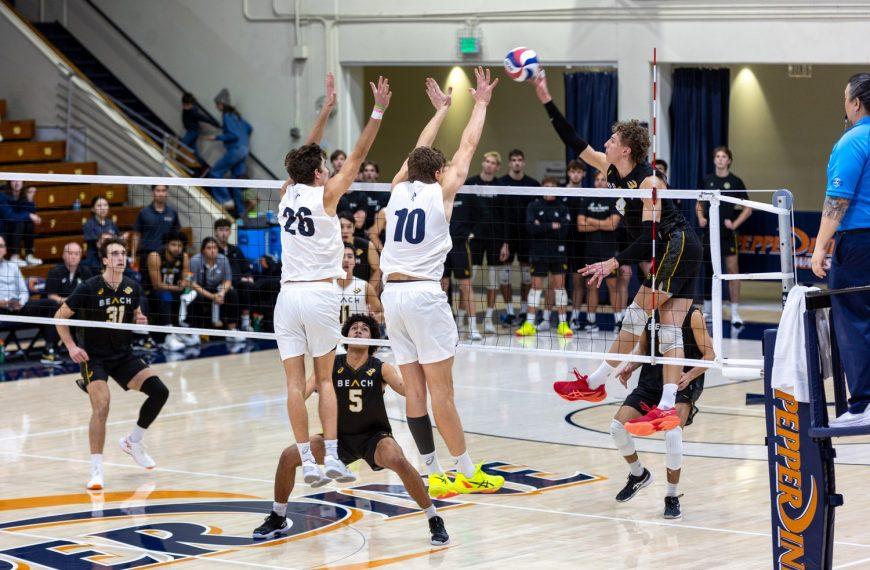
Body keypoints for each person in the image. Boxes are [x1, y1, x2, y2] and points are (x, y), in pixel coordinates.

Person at [533, 71, 702, 434]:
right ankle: (668, 406)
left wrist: (614, 260)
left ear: (626, 149)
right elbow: (573, 140)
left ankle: (595, 383)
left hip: (677, 244)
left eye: (611, 139)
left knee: (634, 317)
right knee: (670, 330)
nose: (605, 143)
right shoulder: (611, 170)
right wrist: (546, 98)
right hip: (674, 249)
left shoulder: (650, 181)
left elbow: (653, 238)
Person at [380, 69, 505, 498]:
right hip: (422, 294)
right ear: (438, 174)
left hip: (391, 295)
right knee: (442, 393)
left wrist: (440, 112)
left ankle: (432, 474)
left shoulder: (396, 188)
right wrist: (482, 103)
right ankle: (466, 470)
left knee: (414, 391)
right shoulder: (442, 191)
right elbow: (468, 146)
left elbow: (418, 149)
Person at [271, 73, 390, 485]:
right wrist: (377, 111)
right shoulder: (326, 196)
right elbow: (356, 156)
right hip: (319, 295)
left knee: (292, 383)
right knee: (324, 379)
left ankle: (307, 458)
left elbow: (303, 154)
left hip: (286, 298)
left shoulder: (285, 191)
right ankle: (336, 458)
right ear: (320, 174)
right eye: (323, 166)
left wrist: (325, 110)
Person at [253, 314, 449, 545]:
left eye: (364, 329)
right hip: (336, 440)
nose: (358, 331)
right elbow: (302, 392)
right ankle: (278, 516)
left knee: (398, 460)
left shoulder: (381, 368)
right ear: (345, 336)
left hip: (373, 437)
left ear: (373, 339)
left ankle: (433, 518)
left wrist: (422, 364)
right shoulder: (329, 365)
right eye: (354, 328)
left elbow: (409, 390)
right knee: (288, 456)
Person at [54, 237, 170, 490]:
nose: (121, 257)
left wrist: (141, 323)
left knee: (160, 391)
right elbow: (59, 317)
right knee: (102, 406)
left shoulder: (132, 287)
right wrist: (72, 347)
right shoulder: (88, 287)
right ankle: (96, 469)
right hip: (94, 357)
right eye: (115, 253)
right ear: (105, 260)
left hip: (123, 354)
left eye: (123, 253)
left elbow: (137, 317)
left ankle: (133, 441)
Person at [611, 305, 714, 519]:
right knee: (617, 427)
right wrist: (630, 366)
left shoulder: (692, 315)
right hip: (650, 384)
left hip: (680, 386)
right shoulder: (651, 312)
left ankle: (672, 495)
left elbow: (710, 355)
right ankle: (639, 474)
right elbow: (642, 350)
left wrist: (691, 375)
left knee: (673, 432)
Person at [811, 73, 870, 427]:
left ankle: (863, 404)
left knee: (852, 319)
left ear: (856, 103)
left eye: (845, 100)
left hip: (859, 243)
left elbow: (837, 200)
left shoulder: (852, 141)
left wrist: (819, 248)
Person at [696, 146, 752, 327]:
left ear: (729, 160)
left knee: (733, 272)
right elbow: (698, 202)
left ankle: (735, 313)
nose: (720, 159)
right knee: (709, 272)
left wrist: (734, 224)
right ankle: (708, 312)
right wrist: (701, 217)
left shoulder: (735, 182)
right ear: (714, 160)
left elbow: (748, 208)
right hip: (709, 233)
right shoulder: (707, 180)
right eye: (717, 156)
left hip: (728, 234)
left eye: (723, 157)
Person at [516, 176, 572, 337]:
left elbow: (564, 231)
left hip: (558, 252)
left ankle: (563, 324)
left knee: (559, 288)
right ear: (541, 189)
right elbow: (530, 228)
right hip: (538, 252)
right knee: (536, 288)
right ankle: (529, 323)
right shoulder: (533, 206)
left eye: (552, 187)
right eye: (546, 186)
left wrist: (541, 226)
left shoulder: (562, 208)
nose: (549, 190)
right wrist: (552, 226)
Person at [465, 151, 509, 334]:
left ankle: (489, 319)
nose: (489, 165)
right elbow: (463, 212)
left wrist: (505, 243)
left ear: (497, 167)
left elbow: (506, 218)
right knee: (468, 280)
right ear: (483, 163)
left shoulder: (501, 186)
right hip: (474, 239)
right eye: (487, 161)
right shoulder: (470, 183)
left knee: (493, 280)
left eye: (493, 163)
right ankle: (464, 318)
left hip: (495, 239)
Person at [576, 170, 624, 333]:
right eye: (597, 179)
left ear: (608, 182)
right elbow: (580, 226)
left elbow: (613, 225)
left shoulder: (614, 199)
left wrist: (591, 220)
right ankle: (591, 321)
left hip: (609, 251)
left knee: (613, 286)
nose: (600, 182)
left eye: (603, 179)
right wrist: (602, 223)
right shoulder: (587, 199)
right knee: (591, 287)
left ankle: (618, 322)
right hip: (591, 250)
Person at [0, 235, 60, 364]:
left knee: (50, 305)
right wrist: (4, 303)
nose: (0, 249)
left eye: (2, 246)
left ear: (5, 250)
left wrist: (20, 303)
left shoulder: (12, 266)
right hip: (2, 311)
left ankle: (49, 350)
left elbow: (23, 290)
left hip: (18, 307)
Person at [496, 149, 540, 325]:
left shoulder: (533, 184)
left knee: (527, 277)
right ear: (509, 163)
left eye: (519, 160)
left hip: (527, 238)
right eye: (513, 160)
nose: (516, 163)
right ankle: (508, 312)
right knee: (504, 277)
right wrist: (502, 241)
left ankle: (522, 311)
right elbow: (497, 215)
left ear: (523, 162)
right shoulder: (500, 183)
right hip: (506, 237)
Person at [442, 181, 482, 340]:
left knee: (466, 286)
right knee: (441, 287)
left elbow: (484, 214)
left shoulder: (466, 195)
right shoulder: (436, 194)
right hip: (441, 247)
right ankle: (442, 327)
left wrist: (472, 233)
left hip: (459, 246)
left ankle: (472, 327)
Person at [144, 231, 195, 352]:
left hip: (173, 290)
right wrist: (178, 288)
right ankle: (168, 336)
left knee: (192, 295)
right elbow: (157, 285)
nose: (177, 248)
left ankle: (185, 331)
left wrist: (184, 282)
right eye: (173, 244)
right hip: (152, 293)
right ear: (166, 244)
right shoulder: (155, 256)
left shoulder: (184, 257)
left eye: (180, 246)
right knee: (166, 295)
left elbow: (186, 277)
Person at [208, 88, 254, 216]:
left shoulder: (226, 116)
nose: (216, 107)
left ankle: (225, 199)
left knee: (215, 172)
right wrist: (243, 140)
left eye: (216, 105)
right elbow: (249, 128)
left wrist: (217, 137)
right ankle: (241, 214)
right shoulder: (237, 116)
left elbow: (233, 135)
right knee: (236, 181)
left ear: (221, 104)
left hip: (236, 150)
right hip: (244, 150)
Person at [185, 237, 242, 338]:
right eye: (209, 248)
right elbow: (191, 283)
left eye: (215, 247)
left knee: (233, 293)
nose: (212, 250)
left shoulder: (223, 259)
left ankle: (232, 330)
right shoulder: (195, 260)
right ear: (203, 250)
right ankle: (194, 332)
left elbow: (228, 280)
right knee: (196, 297)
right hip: (200, 290)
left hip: (217, 290)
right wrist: (212, 296)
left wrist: (221, 293)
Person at [213, 218, 256, 331]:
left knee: (248, 286)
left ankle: (246, 323)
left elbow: (246, 268)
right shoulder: (212, 250)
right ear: (215, 232)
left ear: (230, 232)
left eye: (227, 230)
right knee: (232, 292)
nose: (224, 233)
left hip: (238, 282)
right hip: (221, 284)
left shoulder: (236, 250)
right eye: (221, 230)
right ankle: (231, 327)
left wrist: (249, 277)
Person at [131, 185, 181, 272]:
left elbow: (177, 235)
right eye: (158, 191)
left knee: (164, 284)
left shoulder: (172, 212)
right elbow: (136, 235)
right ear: (153, 193)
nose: (161, 194)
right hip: (147, 254)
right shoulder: (144, 212)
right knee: (146, 284)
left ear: (167, 193)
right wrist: (133, 255)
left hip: (166, 256)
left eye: (163, 191)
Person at [337, 244, 383, 325]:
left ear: (355, 261)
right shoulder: (328, 285)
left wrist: (373, 319)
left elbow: (383, 314)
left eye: (350, 256)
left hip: (357, 336)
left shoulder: (365, 286)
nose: (346, 260)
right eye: (342, 256)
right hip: (333, 335)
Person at [1, 181, 42, 267]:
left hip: (16, 230)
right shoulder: (2, 195)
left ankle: (29, 255)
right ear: (9, 182)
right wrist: (29, 215)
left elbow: (31, 213)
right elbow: (10, 216)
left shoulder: (23, 194)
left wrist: (30, 199)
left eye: (19, 180)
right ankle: (14, 256)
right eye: (14, 180)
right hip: (3, 230)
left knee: (29, 222)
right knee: (19, 222)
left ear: (23, 182)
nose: (17, 183)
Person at [339, 212, 381, 289]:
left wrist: (368, 290)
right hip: (336, 292)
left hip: (359, 292)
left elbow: (377, 270)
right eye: (341, 227)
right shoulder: (331, 247)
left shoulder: (367, 245)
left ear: (354, 228)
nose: (345, 231)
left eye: (349, 227)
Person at [180, 92, 219, 174]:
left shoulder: (193, 112)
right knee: (194, 152)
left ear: (191, 104)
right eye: (184, 105)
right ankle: (203, 166)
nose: (184, 107)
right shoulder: (187, 109)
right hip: (190, 130)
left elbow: (203, 118)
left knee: (182, 144)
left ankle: (173, 156)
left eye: (187, 105)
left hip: (193, 131)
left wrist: (214, 123)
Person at [83, 197, 122, 268]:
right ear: (92, 209)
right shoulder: (89, 224)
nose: (103, 208)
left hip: (112, 257)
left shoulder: (111, 223)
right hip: (95, 259)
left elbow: (118, 239)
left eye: (105, 205)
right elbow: (99, 243)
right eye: (99, 206)